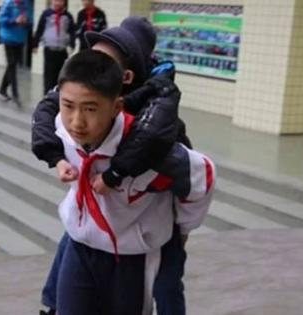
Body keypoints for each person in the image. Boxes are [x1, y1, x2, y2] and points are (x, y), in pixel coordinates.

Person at [33, 17, 194, 315]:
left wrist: (116, 172)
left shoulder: (155, 110)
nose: (95, 66)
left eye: (106, 61)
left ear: (127, 76)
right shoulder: (83, 94)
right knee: (74, 238)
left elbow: (186, 168)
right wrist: (55, 157)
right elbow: (46, 109)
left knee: (167, 283)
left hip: (148, 227)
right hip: (98, 224)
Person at [54, 49, 215, 315]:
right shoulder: (62, 129)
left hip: (131, 258)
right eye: (68, 105)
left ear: (117, 106)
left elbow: (203, 177)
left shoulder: (148, 151)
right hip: (79, 247)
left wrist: (183, 229)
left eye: (90, 109)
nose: (77, 121)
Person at [33, 0, 76, 95]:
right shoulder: (46, 14)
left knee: (60, 75)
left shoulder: (68, 16)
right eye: (55, 1)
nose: (57, 3)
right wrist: (35, 44)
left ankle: (58, 96)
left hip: (61, 50)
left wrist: (72, 44)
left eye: (60, 1)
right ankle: (47, 95)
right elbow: (40, 29)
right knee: (48, 75)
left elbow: (72, 31)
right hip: (49, 49)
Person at [0, 0, 33, 106]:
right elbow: (1, 19)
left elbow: (30, 20)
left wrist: (26, 21)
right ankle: (15, 94)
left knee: (12, 65)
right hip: (8, 37)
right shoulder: (8, 3)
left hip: (20, 38)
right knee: (12, 64)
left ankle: (2, 90)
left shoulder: (26, 4)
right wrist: (14, 21)